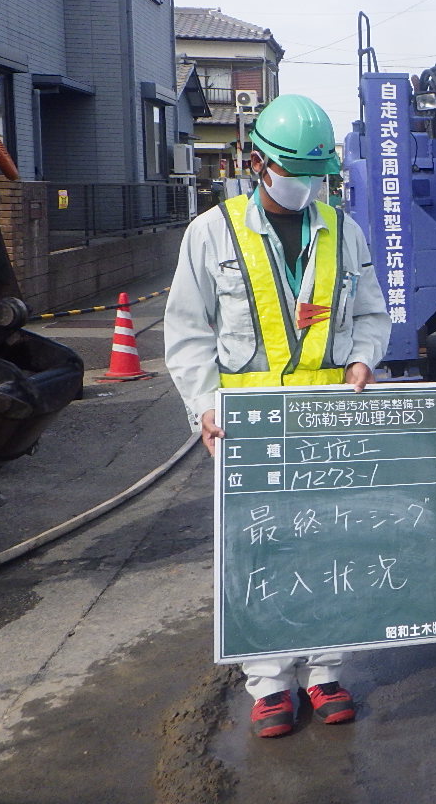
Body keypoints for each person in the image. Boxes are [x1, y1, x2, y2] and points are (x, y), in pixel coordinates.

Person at [164, 94, 390, 738]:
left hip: (328, 427)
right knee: (261, 550)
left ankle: (324, 673)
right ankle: (268, 684)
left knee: (332, 545)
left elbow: (371, 314)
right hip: (252, 432)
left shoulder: (343, 230)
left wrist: (365, 360)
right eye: (296, 173)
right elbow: (185, 333)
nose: (306, 187)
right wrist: (207, 407)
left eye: (317, 176)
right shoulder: (212, 234)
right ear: (259, 162)